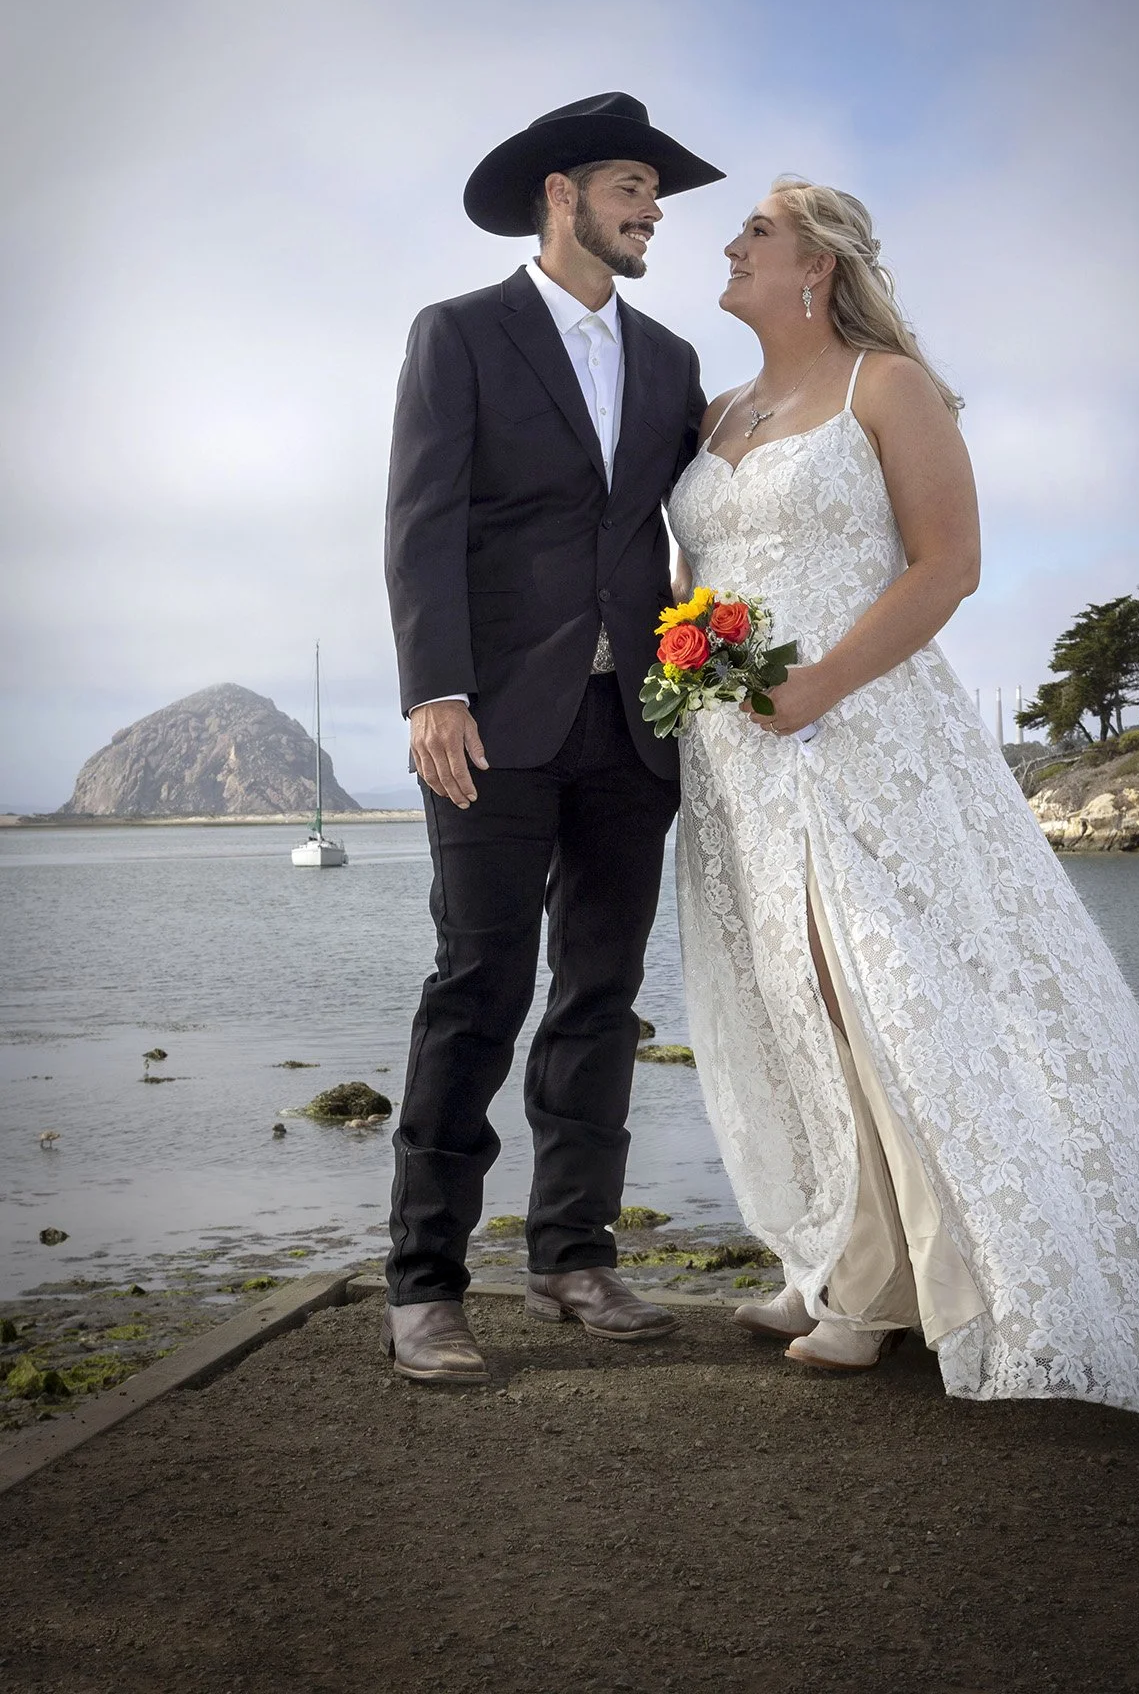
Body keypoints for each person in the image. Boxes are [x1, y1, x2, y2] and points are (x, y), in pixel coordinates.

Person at [667, 176, 1139, 1421]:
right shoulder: (715, 412)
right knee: (793, 996)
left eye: (754, 229)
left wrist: (813, 687)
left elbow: (949, 564)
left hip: (859, 731)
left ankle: (909, 1286)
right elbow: (692, 577)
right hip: (738, 753)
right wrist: (695, 667)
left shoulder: (885, 385)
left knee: (883, 986)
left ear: (816, 262)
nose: (729, 240)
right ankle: (845, 1257)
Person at [382, 93, 723, 1383]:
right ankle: (423, 1283)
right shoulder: (459, 334)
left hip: (633, 723)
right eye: (631, 184)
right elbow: (421, 521)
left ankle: (573, 1254)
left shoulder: (676, 359)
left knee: (600, 993)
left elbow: (686, 531)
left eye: (655, 191)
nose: (650, 211)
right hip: (490, 722)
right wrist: (436, 691)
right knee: (476, 983)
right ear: (560, 194)